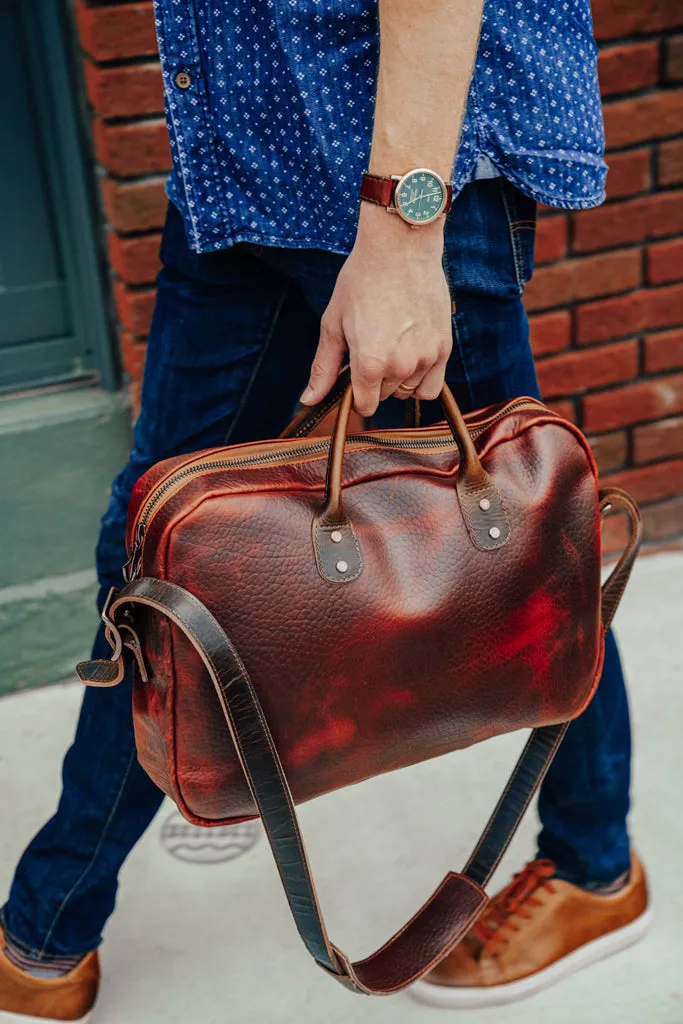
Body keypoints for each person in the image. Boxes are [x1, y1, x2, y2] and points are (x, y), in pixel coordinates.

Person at [0, 0, 650, 1019]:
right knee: (154, 559)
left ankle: (592, 866)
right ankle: (46, 927)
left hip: (390, 170)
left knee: (528, 548)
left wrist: (403, 228)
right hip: (238, 162)